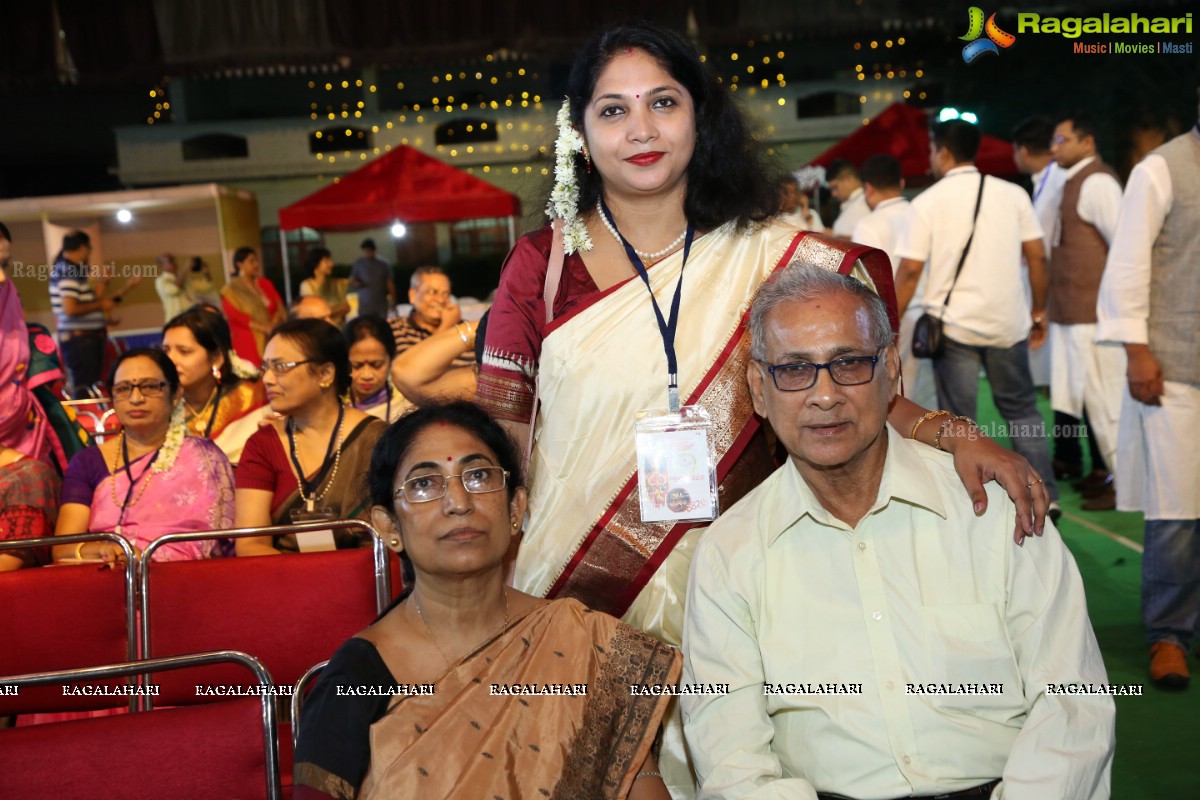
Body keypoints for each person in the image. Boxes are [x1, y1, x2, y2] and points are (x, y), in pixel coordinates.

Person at [477, 24, 1046, 796]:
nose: (640, 129)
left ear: (700, 117)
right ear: (579, 133)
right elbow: (502, 437)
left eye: (663, 103)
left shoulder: (778, 255)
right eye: (613, 111)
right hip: (577, 591)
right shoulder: (542, 266)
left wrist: (954, 432)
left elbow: (852, 384)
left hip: (754, 577)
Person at [682, 264, 1115, 800]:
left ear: (890, 369)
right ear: (758, 389)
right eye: (794, 370)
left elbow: (1072, 704)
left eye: (848, 363)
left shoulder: (994, 512)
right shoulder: (731, 552)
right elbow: (732, 759)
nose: (824, 396)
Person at [293, 401, 680, 800]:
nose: (458, 502)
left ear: (515, 508)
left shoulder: (583, 644)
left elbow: (639, 785)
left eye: (478, 476)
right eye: (425, 483)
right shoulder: (355, 679)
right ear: (389, 526)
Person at [895, 119, 1061, 520]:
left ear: (944, 152)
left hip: (953, 328)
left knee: (960, 422)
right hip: (1008, 324)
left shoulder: (928, 202)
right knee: (1022, 411)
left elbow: (911, 271)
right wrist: (1039, 311)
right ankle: (1048, 496)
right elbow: (1038, 257)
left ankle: (978, 504)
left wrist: (889, 323)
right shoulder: (1013, 194)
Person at [1097, 87, 1200, 689]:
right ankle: (1170, 635)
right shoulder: (1163, 167)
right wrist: (1137, 350)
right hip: (1175, 366)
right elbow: (1129, 263)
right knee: (1179, 508)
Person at [51, 348, 235, 563]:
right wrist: (107, 549)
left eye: (149, 387)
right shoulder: (88, 461)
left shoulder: (204, 457)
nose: (136, 398)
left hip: (187, 582)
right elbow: (62, 551)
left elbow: (223, 544)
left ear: (175, 393)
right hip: (107, 579)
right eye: (123, 388)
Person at [234, 319, 387, 555]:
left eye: (281, 367)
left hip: (367, 578)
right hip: (285, 582)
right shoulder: (262, 445)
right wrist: (311, 578)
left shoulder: (376, 439)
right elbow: (249, 545)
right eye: (266, 368)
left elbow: (391, 538)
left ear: (326, 373)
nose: (267, 379)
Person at [1047, 111, 1126, 511]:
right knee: (1085, 402)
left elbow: (1125, 248)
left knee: (1107, 402)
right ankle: (1110, 474)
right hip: (1072, 315)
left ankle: (1125, 484)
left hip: (1095, 316)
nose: (1054, 147)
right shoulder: (1071, 180)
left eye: (1062, 140)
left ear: (1087, 142)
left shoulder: (1097, 182)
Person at [1012, 114, 1084, 480]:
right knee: (1062, 381)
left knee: (1074, 382)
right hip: (1052, 295)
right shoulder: (1045, 182)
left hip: (1063, 297)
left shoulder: (1057, 182)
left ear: (1023, 151)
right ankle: (1068, 455)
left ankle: (1083, 460)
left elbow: (1049, 247)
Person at [850, 154, 935, 410]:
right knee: (929, 395)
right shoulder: (922, 214)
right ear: (901, 182)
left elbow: (864, 282)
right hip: (933, 316)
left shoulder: (868, 224)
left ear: (868, 188)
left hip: (894, 317)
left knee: (898, 395)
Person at [161, 306, 270, 464]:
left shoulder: (253, 395)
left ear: (216, 358)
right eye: (165, 351)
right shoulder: (159, 408)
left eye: (184, 352)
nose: (170, 361)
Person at [49, 230, 140, 398]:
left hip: (86, 339)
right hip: (81, 341)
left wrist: (107, 285)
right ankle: (86, 422)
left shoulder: (72, 271)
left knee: (90, 387)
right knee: (85, 390)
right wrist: (100, 304)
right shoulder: (68, 270)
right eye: (89, 249)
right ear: (83, 248)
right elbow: (70, 309)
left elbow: (93, 302)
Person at [389, 266, 474, 368]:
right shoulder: (396, 329)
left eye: (445, 293)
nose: (441, 300)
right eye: (432, 292)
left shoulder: (464, 329)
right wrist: (445, 327)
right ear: (412, 295)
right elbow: (410, 369)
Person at [390, 316, 479, 405]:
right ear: (412, 301)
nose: (440, 301)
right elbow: (406, 373)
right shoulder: (399, 327)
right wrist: (487, 324)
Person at [221, 246, 286, 367]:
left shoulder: (265, 283)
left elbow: (278, 306)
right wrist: (263, 328)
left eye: (256, 261)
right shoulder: (231, 290)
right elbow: (235, 316)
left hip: (271, 335)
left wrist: (272, 324)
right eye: (251, 261)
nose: (256, 264)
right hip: (248, 341)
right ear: (239, 264)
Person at [344, 314, 412, 422]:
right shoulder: (334, 403)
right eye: (356, 365)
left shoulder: (406, 403)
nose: (367, 375)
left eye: (376, 365)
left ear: (391, 358)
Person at [299, 247, 350, 325]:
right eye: (326, 261)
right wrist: (335, 310)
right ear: (315, 263)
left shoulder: (335, 284)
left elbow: (347, 306)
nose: (331, 264)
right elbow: (315, 313)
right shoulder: (307, 285)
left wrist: (330, 312)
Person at [348, 238, 394, 319]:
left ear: (374, 250)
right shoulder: (359, 263)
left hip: (380, 302)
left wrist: (394, 300)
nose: (367, 253)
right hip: (364, 302)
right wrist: (358, 283)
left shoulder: (383, 264)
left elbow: (389, 283)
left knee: (381, 324)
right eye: (365, 251)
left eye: (369, 250)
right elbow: (352, 279)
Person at [826, 158, 869, 238]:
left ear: (848, 179)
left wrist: (833, 237)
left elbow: (867, 239)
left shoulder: (866, 201)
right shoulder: (851, 203)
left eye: (835, 187)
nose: (833, 194)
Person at [154, 253, 193, 322]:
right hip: (175, 320)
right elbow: (174, 289)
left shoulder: (183, 278)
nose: (174, 263)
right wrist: (185, 269)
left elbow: (204, 288)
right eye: (170, 261)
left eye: (174, 260)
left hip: (189, 318)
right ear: (162, 265)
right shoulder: (161, 280)